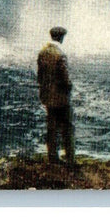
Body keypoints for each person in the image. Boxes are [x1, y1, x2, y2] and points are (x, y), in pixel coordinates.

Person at [37, 26, 75, 166]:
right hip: (61, 98)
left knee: (52, 128)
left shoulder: (43, 52)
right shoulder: (60, 55)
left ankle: (52, 157)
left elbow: (40, 76)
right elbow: (65, 78)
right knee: (68, 128)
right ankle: (70, 159)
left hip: (48, 96)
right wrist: (69, 87)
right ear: (61, 38)